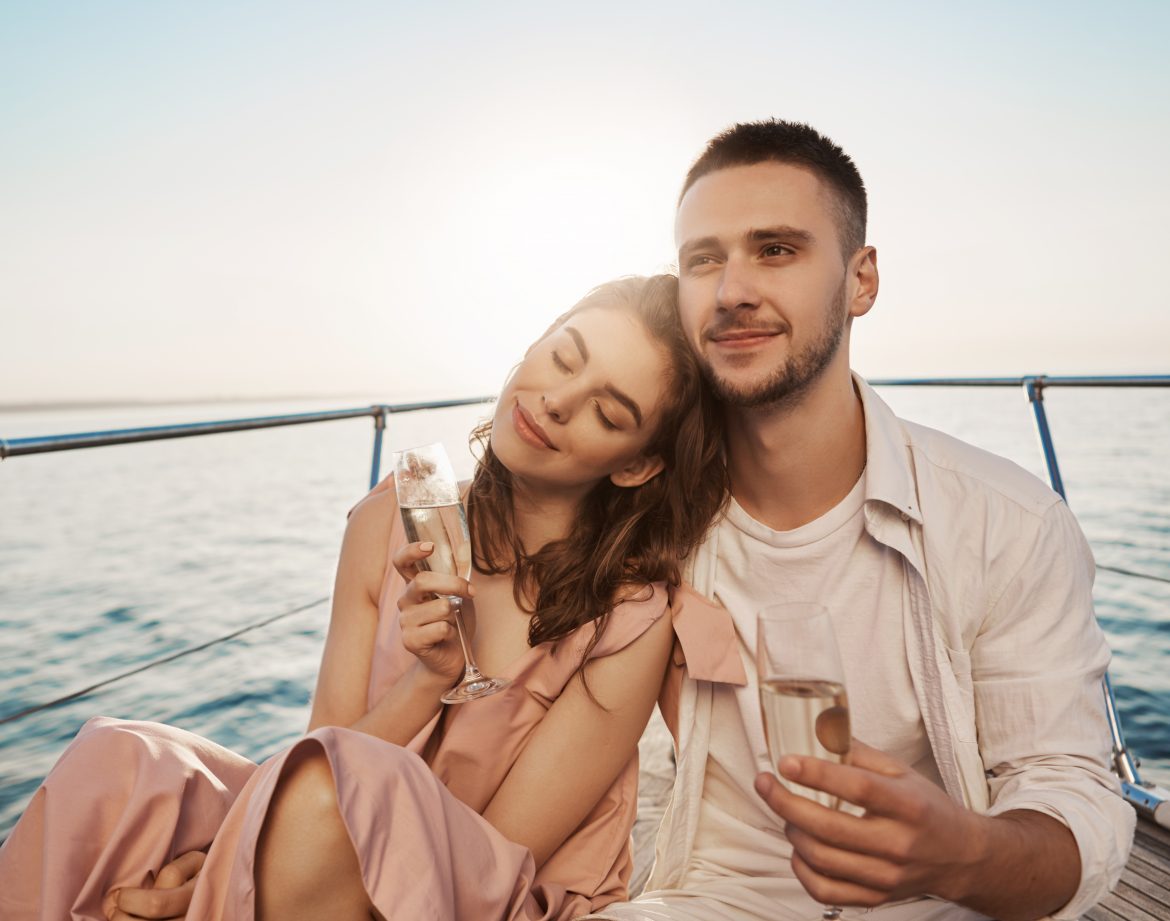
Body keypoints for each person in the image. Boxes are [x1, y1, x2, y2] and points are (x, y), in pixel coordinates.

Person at [0, 275, 744, 921]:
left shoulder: (627, 619)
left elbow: (501, 847)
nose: (554, 400)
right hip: (324, 819)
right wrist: (428, 681)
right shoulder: (392, 518)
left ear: (638, 465)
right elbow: (323, 746)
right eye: (561, 355)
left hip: (486, 880)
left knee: (323, 804)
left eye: (607, 412)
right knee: (121, 760)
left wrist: (240, 860)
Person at [585, 121, 1135, 921]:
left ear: (862, 279)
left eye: (776, 249)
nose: (732, 288)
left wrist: (967, 854)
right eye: (704, 258)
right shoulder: (642, 508)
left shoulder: (1005, 522)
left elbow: (1071, 792)